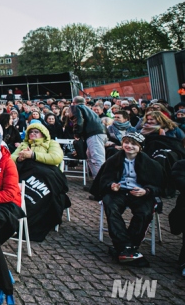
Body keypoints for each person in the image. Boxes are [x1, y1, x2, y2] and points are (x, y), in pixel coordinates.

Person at [90, 132, 163, 264]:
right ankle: (125, 246)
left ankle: (128, 246)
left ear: (140, 147)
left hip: (139, 192)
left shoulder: (150, 163)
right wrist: (111, 185)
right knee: (111, 207)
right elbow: (104, 179)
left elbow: (160, 186)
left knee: (144, 212)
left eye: (133, 144)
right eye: (126, 142)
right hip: (119, 191)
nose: (129, 146)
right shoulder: (114, 159)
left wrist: (146, 191)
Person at [70, 96, 107, 177]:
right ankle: (96, 181)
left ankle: (102, 183)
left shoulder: (76, 107)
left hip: (94, 134)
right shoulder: (89, 109)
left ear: (73, 102)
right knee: (90, 158)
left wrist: (77, 134)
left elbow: (78, 121)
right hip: (98, 133)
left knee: (97, 159)